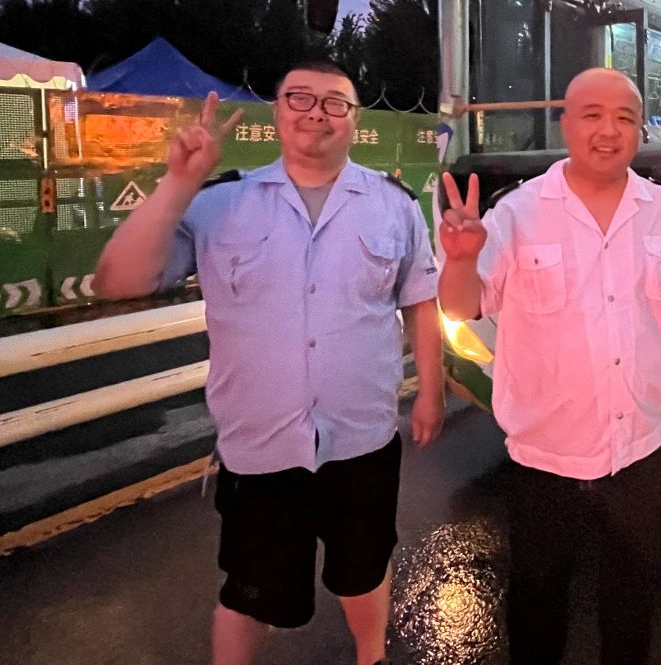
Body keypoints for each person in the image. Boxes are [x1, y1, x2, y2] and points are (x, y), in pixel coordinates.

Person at [95, 59, 444, 665]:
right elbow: (117, 281)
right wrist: (177, 182)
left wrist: (432, 393)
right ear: (277, 114)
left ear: (355, 120)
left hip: (362, 440)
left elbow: (419, 302)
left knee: (364, 569)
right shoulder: (220, 202)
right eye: (300, 98)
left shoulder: (393, 206)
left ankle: (372, 656)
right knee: (250, 592)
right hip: (260, 447)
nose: (317, 113)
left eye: (335, 102)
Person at [436, 67, 661, 665]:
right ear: (565, 124)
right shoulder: (519, 212)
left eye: (625, 118)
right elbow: (461, 304)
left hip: (642, 450)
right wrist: (461, 259)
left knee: (633, 604)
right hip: (545, 457)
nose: (609, 130)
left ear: (640, 130)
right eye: (592, 115)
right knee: (537, 606)